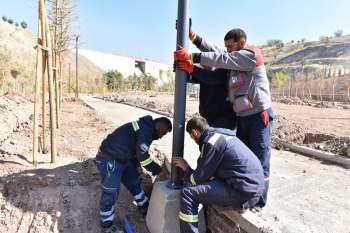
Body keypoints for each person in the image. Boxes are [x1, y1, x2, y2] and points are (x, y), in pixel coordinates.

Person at [174, 28, 275, 208]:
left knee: (260, 158)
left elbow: (222, 58)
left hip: (258, 117)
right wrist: (195, 38)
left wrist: (193, 58)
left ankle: (259, 202)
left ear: (241, 43)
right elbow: (215, 51)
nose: (226, 49)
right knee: (244, 157)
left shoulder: (249, 55)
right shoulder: (232, 60)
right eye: (226, 46)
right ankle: (231, 188)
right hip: (242, 117)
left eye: (230, 46)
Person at [173, 116, 264, 233]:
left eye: (191, 136)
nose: (193, 139)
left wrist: (186, 168)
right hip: (252, 186)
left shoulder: (211, 143)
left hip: (244, 192)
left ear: (195, 132)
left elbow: (198, 179)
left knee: (188, 194)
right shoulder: (221, 135)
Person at [95, 115, 172, 233]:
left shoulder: (147, 128)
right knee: (111, 191)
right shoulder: (147, 129)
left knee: (134, 182)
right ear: (158, 126)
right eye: (163, 133)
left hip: (123, 158)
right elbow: (142, 153)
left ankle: (145, 207)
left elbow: (136, 151)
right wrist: (158, 170)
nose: (161, 137)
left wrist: (137, 167)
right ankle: (107, 224)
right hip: (109, 158)